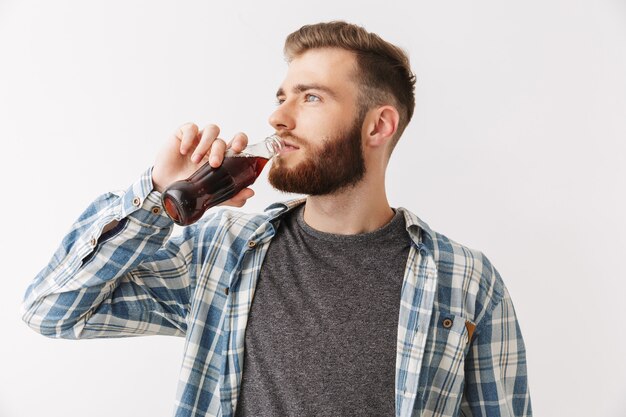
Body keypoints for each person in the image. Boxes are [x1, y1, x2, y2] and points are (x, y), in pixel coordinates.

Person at [22, 21, 532, 417]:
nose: (278, 118)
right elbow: (52, 310)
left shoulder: (464, 279)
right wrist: (155, 196)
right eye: (281, 97)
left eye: (311, 97)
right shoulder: (220, 251)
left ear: (378, 125)